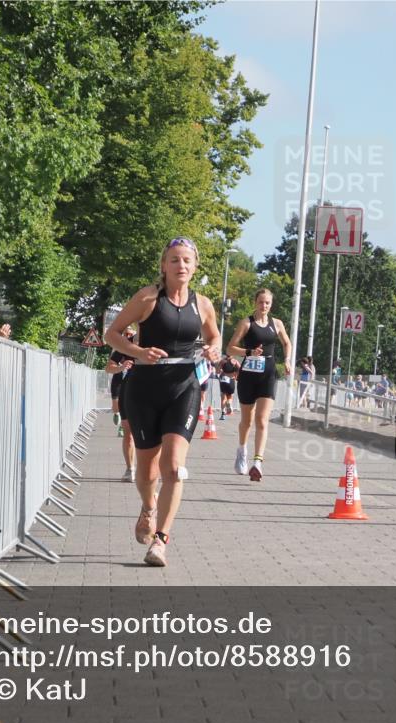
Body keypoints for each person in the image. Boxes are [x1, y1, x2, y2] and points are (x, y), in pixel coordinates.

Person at [104, 237, 221, 567]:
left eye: (187, 260)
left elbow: (213, 335)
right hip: (144, 389)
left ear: (195, 266)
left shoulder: (203, 304)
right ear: (164, 265)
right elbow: (112, 333)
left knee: (173, 468)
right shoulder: (147, 298)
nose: (181, 265)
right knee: (147, 472)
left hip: (184, 389)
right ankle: (148, 506)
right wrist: (139, 352)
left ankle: (161, 540)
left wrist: (213, 349)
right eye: (174, 260)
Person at [227, 288, 292, 481]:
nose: (264, 306)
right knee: (247, 421)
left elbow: (286, 343)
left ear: (271, 305)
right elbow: (230, 348)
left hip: (268, 375)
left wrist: (287, 360)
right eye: (261, 302)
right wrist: (249, 352)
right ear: (255, 302)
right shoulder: (246, 323)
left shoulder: (277, 323)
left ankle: (257, 462)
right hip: (248, 376)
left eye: (267, 303)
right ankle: (242, 450)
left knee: (262, 420)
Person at [106, 326, 137, 473]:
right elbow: (109, 367)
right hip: (128, 391)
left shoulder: (158, 343)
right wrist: (121, 367)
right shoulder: (125, 344)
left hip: (151, 394)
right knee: (129, 435)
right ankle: (130, 469)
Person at [218, 355, 240, 419]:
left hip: (223, 379)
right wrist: (236, 376)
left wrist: (221, 371)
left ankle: (223, 414)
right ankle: (229, 403)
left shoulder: (222, 361)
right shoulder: (235, 361)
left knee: (223, 397)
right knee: (229, 396)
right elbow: (240, 369)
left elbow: (218, 370)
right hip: (231, 379)